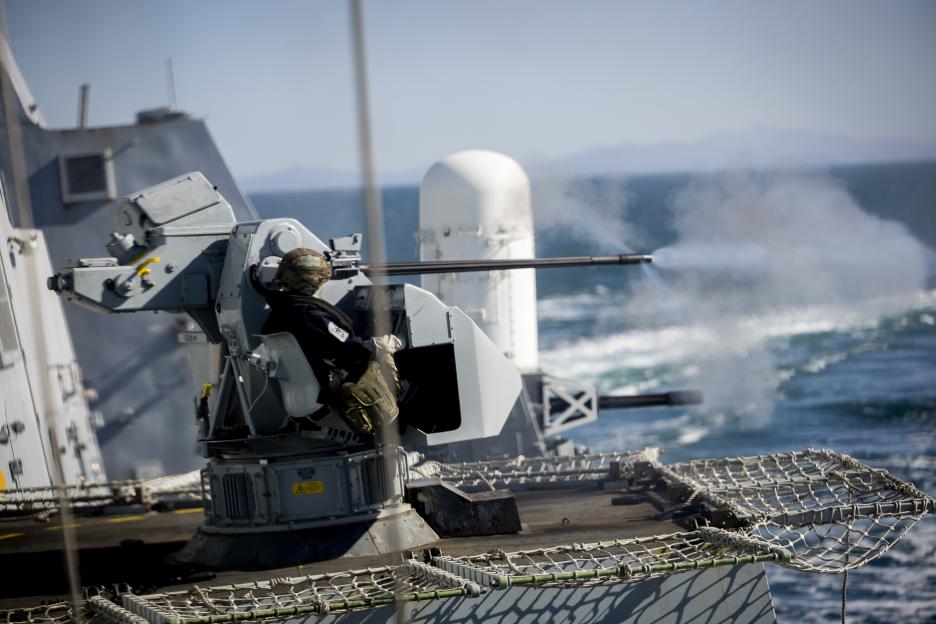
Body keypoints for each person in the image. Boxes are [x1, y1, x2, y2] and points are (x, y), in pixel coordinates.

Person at [258, 247, 400, 437]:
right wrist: (380, 345)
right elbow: (351, 348)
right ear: (317, 280)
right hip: (331, 395)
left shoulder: (280, 312)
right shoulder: (310, 314)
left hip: (304, 401)